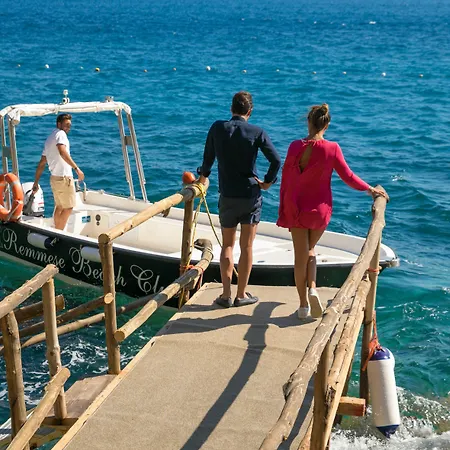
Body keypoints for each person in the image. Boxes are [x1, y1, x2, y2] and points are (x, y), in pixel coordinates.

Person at [277, 104, 387, 319]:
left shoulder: (294, 146)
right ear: (326, 125)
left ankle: (303, 306)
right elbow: (348, 176)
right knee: (311, 250)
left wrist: (285, 208)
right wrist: (370, 190)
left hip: (296, 208)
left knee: (300, 257)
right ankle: (313, 288)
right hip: (319, 210)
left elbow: (286, 180)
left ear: (308, 122)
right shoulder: (332, 148)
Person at [198, 91, 281, 308]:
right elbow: (276, 160)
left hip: (228, 195)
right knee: (247, 247)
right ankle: (241, 295)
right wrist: (267, 182)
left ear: (231, 108)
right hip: (250, 195)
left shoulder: (217, 128)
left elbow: (208, 159)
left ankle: (226, 295)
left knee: (227, 245)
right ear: (250, 111)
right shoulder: (257, 132)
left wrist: (202, 179)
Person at [32, 113, 84, 230]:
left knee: (59, 206)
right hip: (64, 178)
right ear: (59, 124)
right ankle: (59, 233)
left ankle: (56, 230)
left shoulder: (50, 138)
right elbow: (62, 151)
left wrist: (36, 182)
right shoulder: (61, 134)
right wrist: (77, 169)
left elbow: (42, 162)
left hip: (55, 178)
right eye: (66, 125)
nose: (68, 128)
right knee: (68, 207)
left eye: (69, 125)